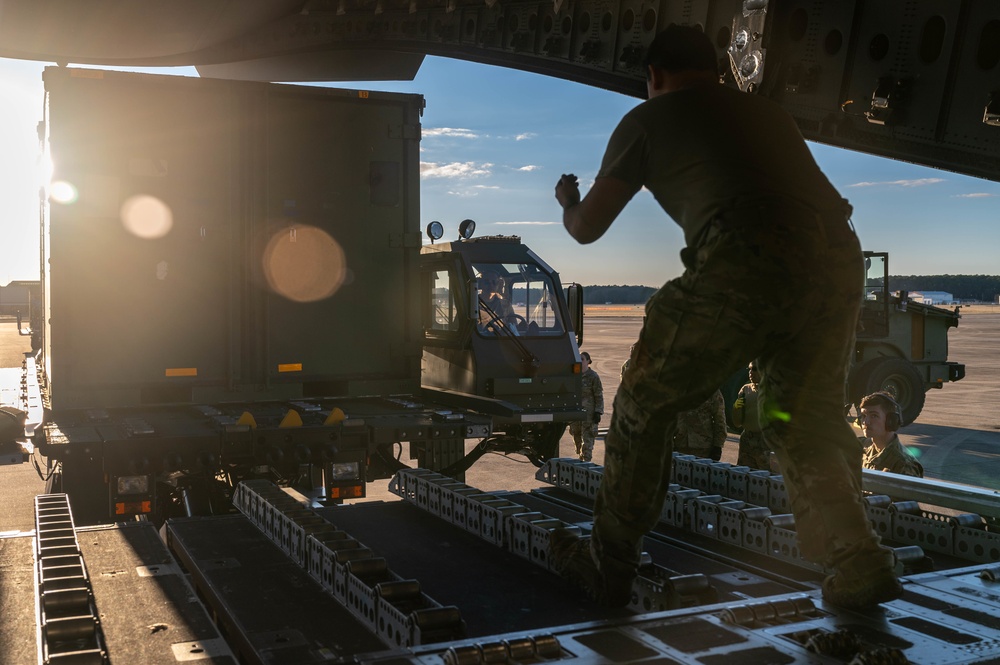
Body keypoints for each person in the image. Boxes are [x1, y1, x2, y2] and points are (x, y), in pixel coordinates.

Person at [550, 24, 900, 610]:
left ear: (654, 77)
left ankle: (607, 565)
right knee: (805, 418)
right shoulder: (766, 114)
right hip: (838, 257)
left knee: (642, 400)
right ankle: (857, 559)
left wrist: (566, 203)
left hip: (747, 253)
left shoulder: (646, 120)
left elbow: (587, 229)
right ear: (714, 71)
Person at [859, 392, 923, 477]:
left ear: (891, 421)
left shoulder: (904, 464)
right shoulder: (863, 447)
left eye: (874, 416)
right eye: (863, 416)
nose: (866, 422)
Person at [732, 361, 770, 470]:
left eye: (754, 369)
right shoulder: (746, 389)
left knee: (766, 477)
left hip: (765, 442)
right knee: (743, 474)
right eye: (749, 369)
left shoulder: (772, 391)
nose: (750, 373)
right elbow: (737, 423)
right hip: (747, 440)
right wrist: (736, 409)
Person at [672, 389, 726, 461]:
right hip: (680, 445)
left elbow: (719, 419)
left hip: (703, 449)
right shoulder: (679, 387)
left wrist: (718, 446)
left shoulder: (711, 389)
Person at [570, 351, 604, 462]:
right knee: (577, 438)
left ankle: (586, 462)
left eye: (582, 359)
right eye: (578, 359)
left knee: (587, 442)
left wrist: (598, 412)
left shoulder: (593, 377)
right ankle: (581, 459)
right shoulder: (574, 375)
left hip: (589, 415)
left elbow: (598, 395)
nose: (580, 361)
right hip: (576, 413)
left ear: (588, 361)